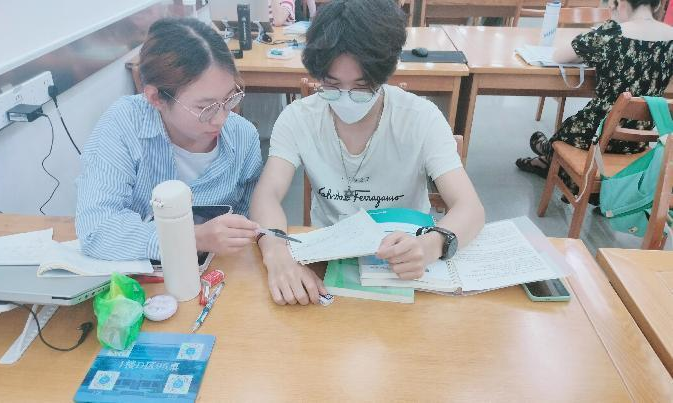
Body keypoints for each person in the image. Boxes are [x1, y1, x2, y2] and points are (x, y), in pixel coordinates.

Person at [250, 0, 485, 306]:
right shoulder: (299, 118)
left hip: (406, 260)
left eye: (362, 88)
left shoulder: (420, 118)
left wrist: (431, 244)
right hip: (330, 260)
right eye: (331, 86)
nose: (346, 99)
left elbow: (470, 208)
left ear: (384, 74)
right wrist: (276, 253)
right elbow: (267, 195)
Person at [76, 18, 262, 261]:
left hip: (218, 271)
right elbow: (96, 230)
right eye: (205, 108)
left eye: (229, 99)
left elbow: (249, 223)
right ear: (155, 98)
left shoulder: (243, 136)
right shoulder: (124, 125)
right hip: (135, 277)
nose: (220, 119)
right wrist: (193, 237)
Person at [516, 0, 673, 199]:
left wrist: (612, 23)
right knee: (570, 138)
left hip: (594, 133)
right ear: (658, 5)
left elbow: (559, 56)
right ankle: (554, 164)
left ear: (620, 3)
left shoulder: (612, 33)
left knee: (558, 138)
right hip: (638, 139)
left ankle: (548, 152)